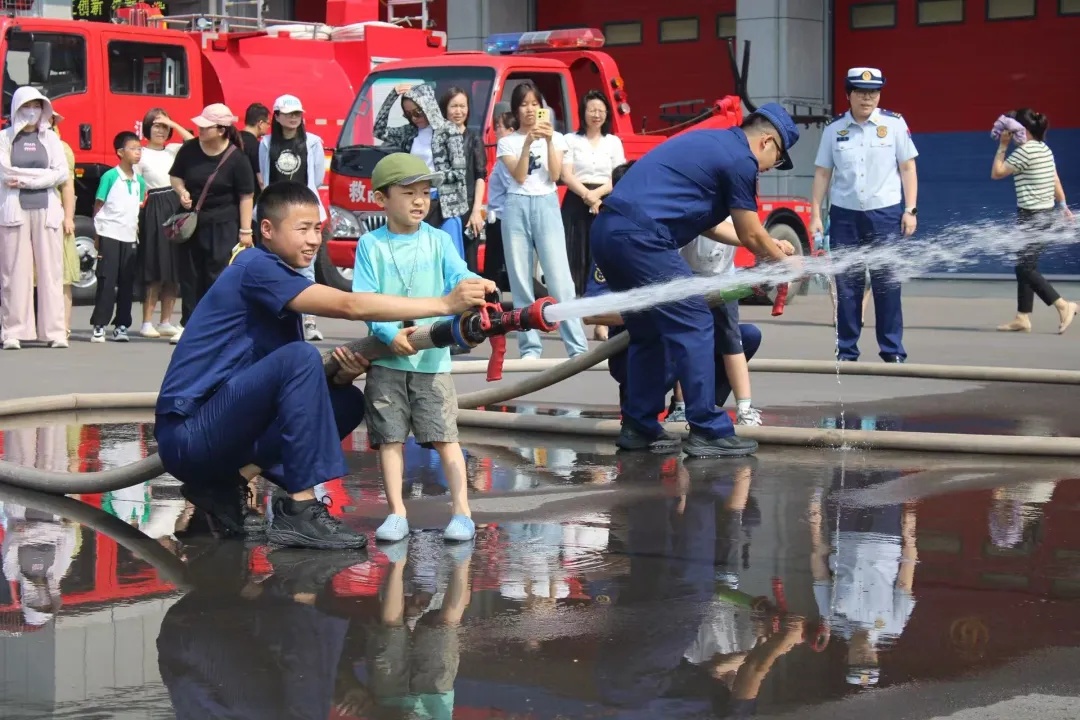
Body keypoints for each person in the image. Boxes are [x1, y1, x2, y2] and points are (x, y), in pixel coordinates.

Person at [153, 181, 490, 550]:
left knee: (343, 402)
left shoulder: (282, 278)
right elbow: (350, 306)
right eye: (303, 229)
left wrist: (339, 374)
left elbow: (277, 381)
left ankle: (226, 486)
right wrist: (444, 305)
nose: (314, 240)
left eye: (318, 228)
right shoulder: (255, 267)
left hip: (223, 430)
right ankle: (300, 508)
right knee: (301, 356)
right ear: (267, 229)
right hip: (189, 436)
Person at [590, 103, 799, 457]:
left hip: (610, 231)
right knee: (696, 319)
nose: (769, 168)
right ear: (767, 142)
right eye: (777, 159)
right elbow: (751, 233)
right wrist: (787, 263)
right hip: (641, 237)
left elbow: (713, 226)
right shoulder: (741, 160)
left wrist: (772, 246)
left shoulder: (715, 144)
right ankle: (707, 429)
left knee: (647, 328)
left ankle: (639, 426)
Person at [352, 153, 493, 544]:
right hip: (387, 361)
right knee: (389, 438)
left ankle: (462, 512)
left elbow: (459, 273)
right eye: (408, 192)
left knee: (446, 436)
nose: (419, 200)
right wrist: (386, 333)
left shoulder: (438, 240)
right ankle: (397, 512)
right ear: (381, 198)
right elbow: (364, 298)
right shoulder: (370, 245)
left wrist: (476, 283)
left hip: (432, 361)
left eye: (425, 192)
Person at [810, 67, 919, 363]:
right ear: (849, 95)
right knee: (847, 285)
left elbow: (908, 168)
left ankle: (892, 350)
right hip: (845, 216)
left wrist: (910, 209)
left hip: (885, 215)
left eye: (873, 92)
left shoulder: (894, 125)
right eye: (860, 92)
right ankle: (846, 351)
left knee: (887, 284)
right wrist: (816, 214)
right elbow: (822, 173)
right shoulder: (834, 129)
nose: (867, 98)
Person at [497, 81, 588, 360]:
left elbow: (556, 175)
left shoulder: (557, 138)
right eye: (523, 104)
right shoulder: (507, 142)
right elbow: (519, 176)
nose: (529, 109)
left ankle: (577, 347)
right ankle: (530, 347)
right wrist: (527, 143)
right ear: (516, 110)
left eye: (534, 104)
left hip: (546, 203)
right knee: (520, 281)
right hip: (516, 205)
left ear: (542, 108)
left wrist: (547, 140)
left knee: (560, 280)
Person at [168, 103, 255, 345]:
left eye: (206, 127)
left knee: (217, 276)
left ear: (221, 130)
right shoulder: (189, 150)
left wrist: (246, 231)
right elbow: (175, 176)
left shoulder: (237, 158)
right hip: (191, 222)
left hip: (224, 225)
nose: (200, 130)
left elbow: (246, 196)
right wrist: (182, 191)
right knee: (190, 275)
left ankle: (215, 327)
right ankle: (189, 324)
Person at [989, 108, 1076, 334]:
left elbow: (997, 173)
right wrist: (1063, 206)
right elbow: (1055, 178)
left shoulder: (1025, 151)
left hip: (1032, 217)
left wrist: (1002, 146)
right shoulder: (1044, 148)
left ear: (1022, 130)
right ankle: (1022, 317)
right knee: (1027, 266)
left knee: (1024, 268)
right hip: (1044, 214)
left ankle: (1063, 305)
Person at [0, 86, 70, 350]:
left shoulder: (50, 138)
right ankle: (13, 331)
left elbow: (60, 173)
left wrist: (27, 181)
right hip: (14, 211)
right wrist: (42, 177)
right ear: (17, 108)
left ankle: (55, 331)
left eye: (37, 106)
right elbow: (6, 173)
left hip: (47, 210)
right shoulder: (4, 138)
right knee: (14, 272)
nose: (32, 111)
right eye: (27, 106)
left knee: (51, 271)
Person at [373, 83, 469, 260]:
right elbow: (379, 131)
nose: (415, 118)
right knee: (418, 256)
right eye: (409, 114)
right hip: (413, 203)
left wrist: (430, 179)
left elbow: (459, 172)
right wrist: (392, 96)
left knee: (450, 258)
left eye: (418, 112)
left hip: (444, 205)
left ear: (428, 106)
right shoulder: (409, 132)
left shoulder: (448, 130)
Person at [259, 94, 327, 341]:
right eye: (288, 114)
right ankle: (277, 318)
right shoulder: (267, 143)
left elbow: (317, 177)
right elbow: (266, 176)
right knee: (275, 264)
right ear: (276, 116)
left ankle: (309, 321)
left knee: (306, 266)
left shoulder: (313, 142)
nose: (293, 118)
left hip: (305, 209)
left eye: (297, 113)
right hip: (278, 212)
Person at [561, 89, 626, 297]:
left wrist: (596, 195)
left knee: (601, 248)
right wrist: (587, 196)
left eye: (601, 110)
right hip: (576, 198)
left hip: (604, 199)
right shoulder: (571, 139)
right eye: (592, 110)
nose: (596, 115)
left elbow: (618, 175)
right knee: (574, 249)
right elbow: (566, 174)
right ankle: (574, 296)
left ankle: (599, 295)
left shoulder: (613, 142)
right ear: (583, 112)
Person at [136, 108, 193, 338]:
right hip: (153, 206)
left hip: (175, 202)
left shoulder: (173, 150)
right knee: (155, 266)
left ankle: (166, 320)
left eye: (164, 127)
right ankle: (146, 321)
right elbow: (136, 185)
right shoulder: (141, 154)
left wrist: (173, 123)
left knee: (173, 267)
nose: (161, 131)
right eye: (156, 126)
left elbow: (193, 142)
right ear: (147, 128)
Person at [90, 132, 147, 343]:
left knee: (127, 282)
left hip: (129, 236)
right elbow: (98, 205)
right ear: (120, 152)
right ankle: (99, 325)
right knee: (107, 280)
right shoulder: (110, 176)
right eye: (133, 148)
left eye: (139, 149)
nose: (137, 152)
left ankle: (122, 325)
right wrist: (97, 234)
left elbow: (137, 209)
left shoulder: (140, 181)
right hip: (109, 233)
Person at [481, 110, 514, 292]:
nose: (496, 131)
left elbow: (512, 186)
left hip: (503, 216)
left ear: (511, 130)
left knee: (496, 266)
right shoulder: (502, 157)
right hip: (497, 216)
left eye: (499, 127)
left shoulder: (507, 157)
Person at [240, 102, 270, 192]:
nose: (268, 127)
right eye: (268, 123)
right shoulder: (257, 147)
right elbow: (261, 180)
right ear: (260, 123)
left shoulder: (231, 140)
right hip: (250, 195)